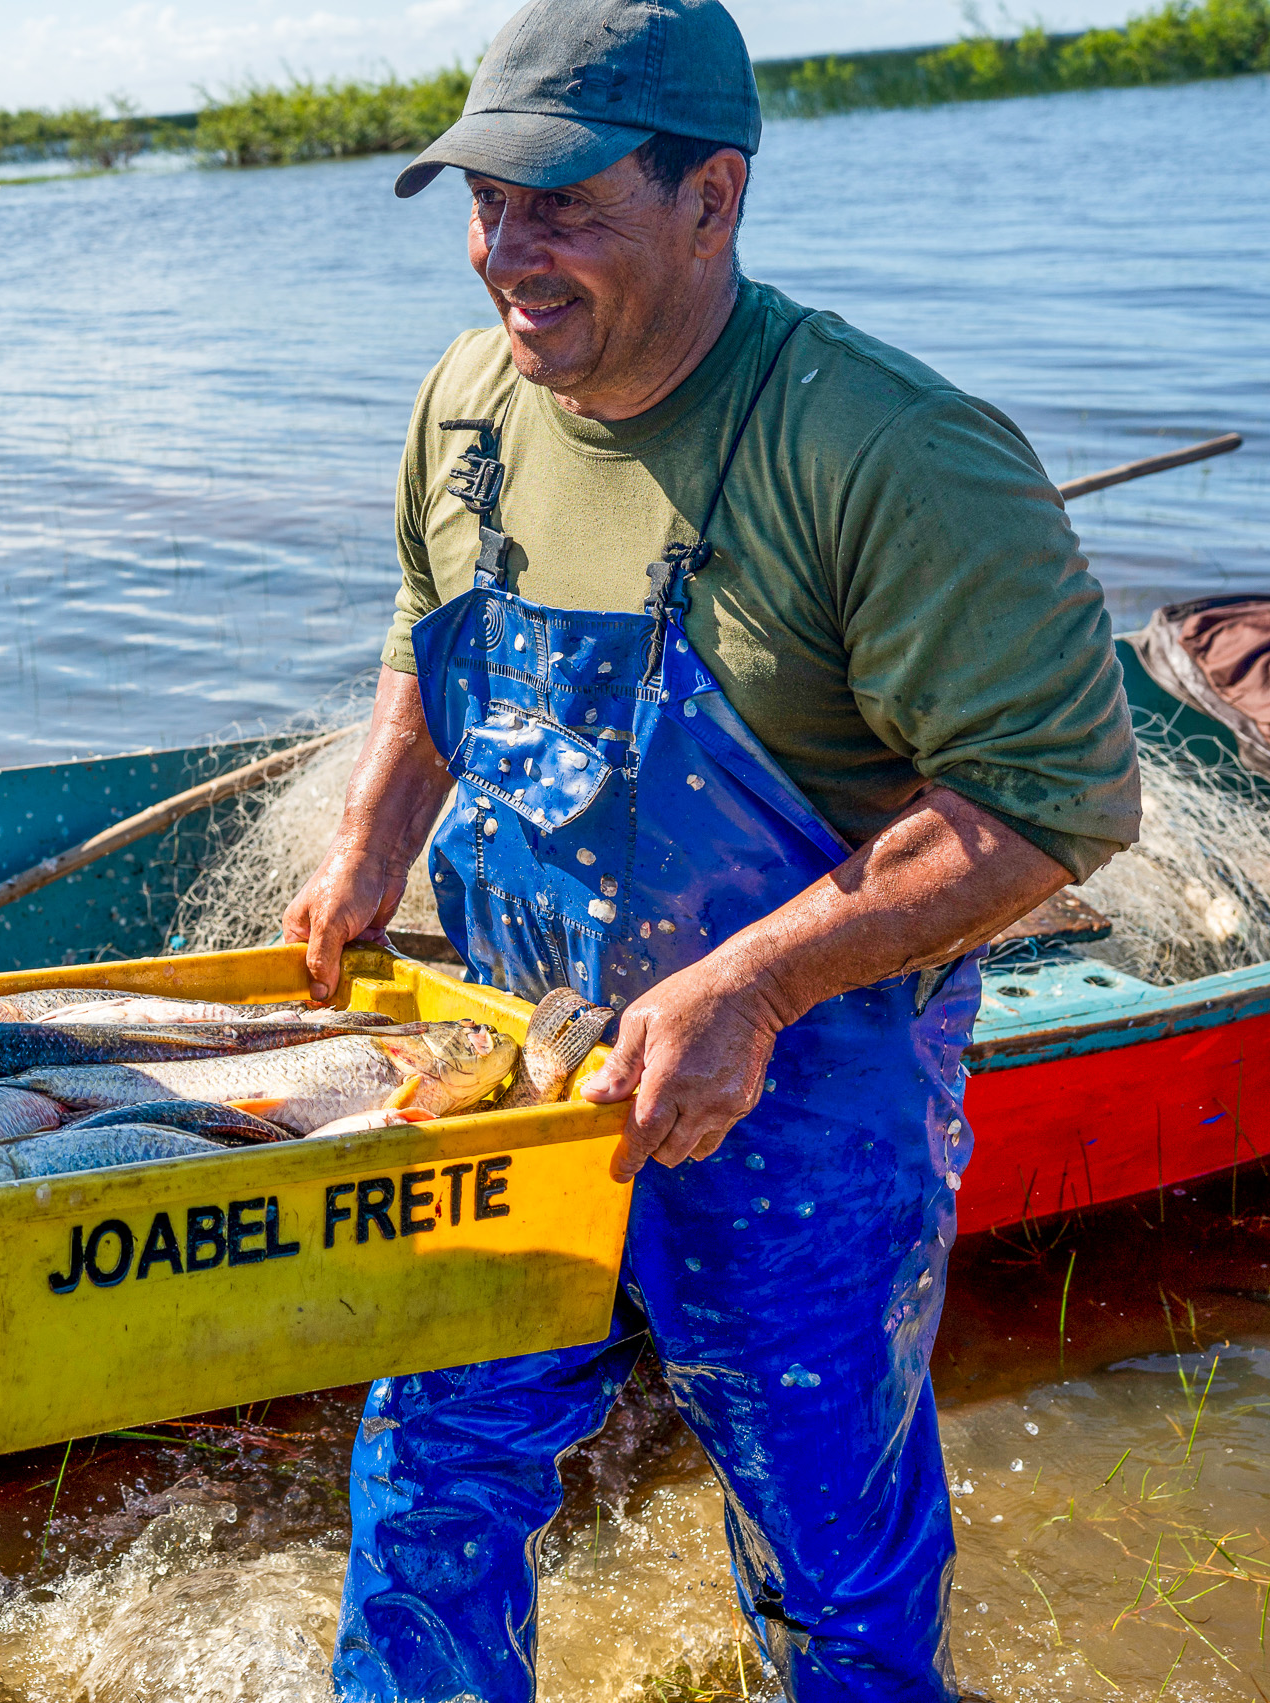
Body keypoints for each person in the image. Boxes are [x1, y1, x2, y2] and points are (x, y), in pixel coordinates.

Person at [284, 1, 1137, 1697]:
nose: (505, 255)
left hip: (805, 1082)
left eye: (563, 206)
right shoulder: (470, 404)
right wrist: (379, 832)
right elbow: (423, 635)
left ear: (714, 198)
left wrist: (754, 984)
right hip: (515, 1067)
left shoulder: (889, 451)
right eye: (483, 204)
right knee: (433, 1477)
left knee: (826, 1536)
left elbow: (1053, 804)